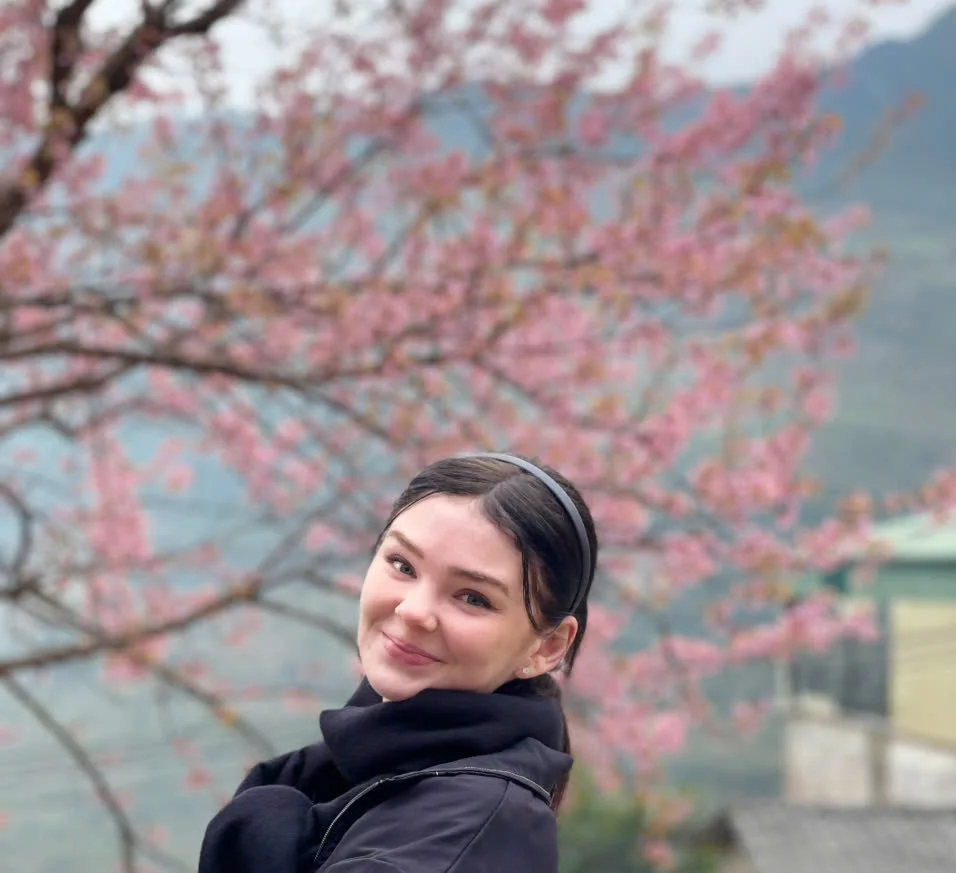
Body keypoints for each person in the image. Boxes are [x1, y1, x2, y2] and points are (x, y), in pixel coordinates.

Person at [198, 452, 598, 873]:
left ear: (547, 648)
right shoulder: (342, 771)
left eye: (473, 598)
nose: (413, 611)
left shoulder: (468, 833)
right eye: (402, 565)